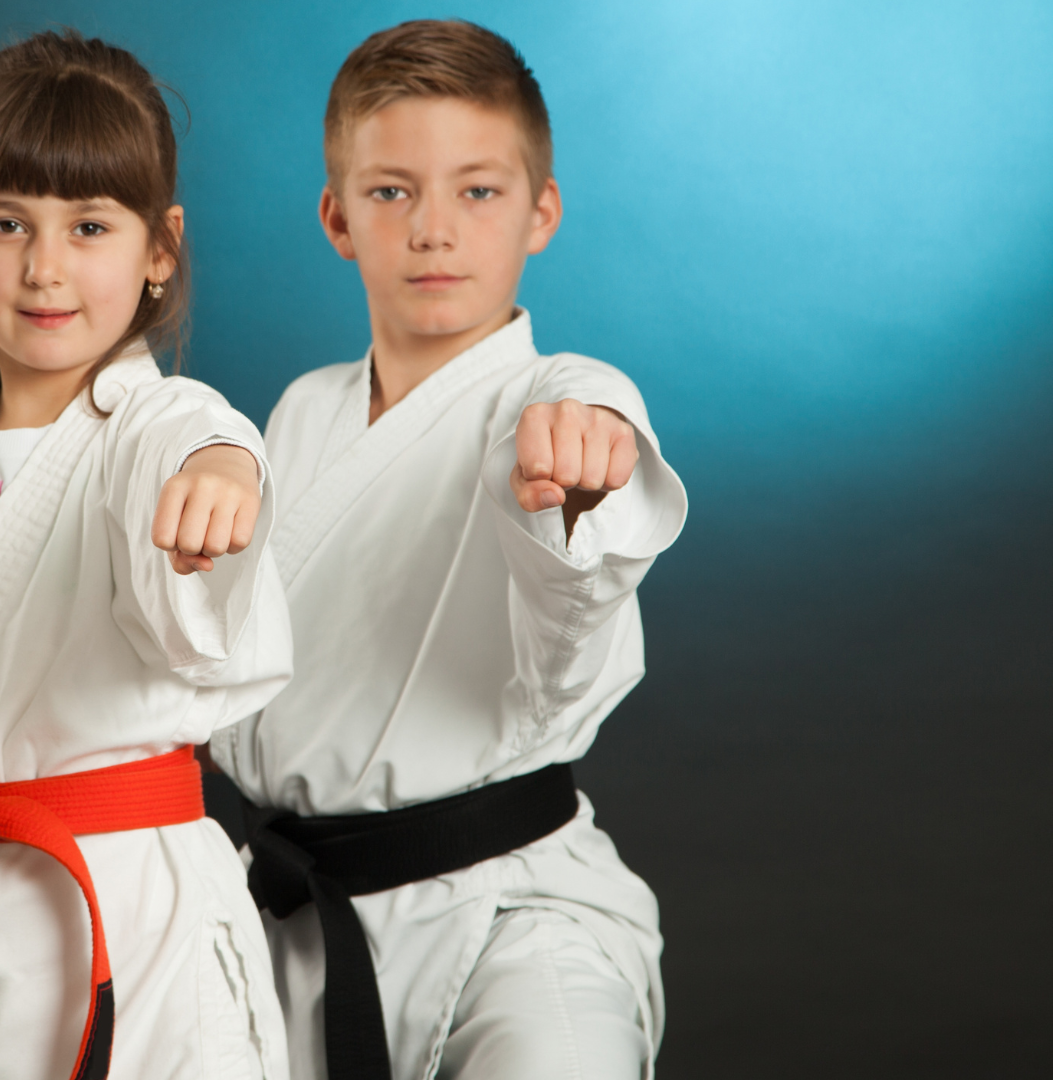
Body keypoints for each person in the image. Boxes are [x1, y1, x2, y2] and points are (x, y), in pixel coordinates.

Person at [207, 20, 689, 1080]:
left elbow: (578, 575)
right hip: (294, 925)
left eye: (478, 191)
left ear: (541, 213)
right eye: (391, 192)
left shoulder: (558, 397)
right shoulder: (298, 413)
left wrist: (580, 479)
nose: (434, 230)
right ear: (338, 217)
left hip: (511, 921)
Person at [0, 30, 293, 1080]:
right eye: (7, 222)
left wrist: (220, 473)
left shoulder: (153, 431)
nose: (45, 266)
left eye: (90, 225)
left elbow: (193, 434)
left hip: (133, 915)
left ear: (161, 247)